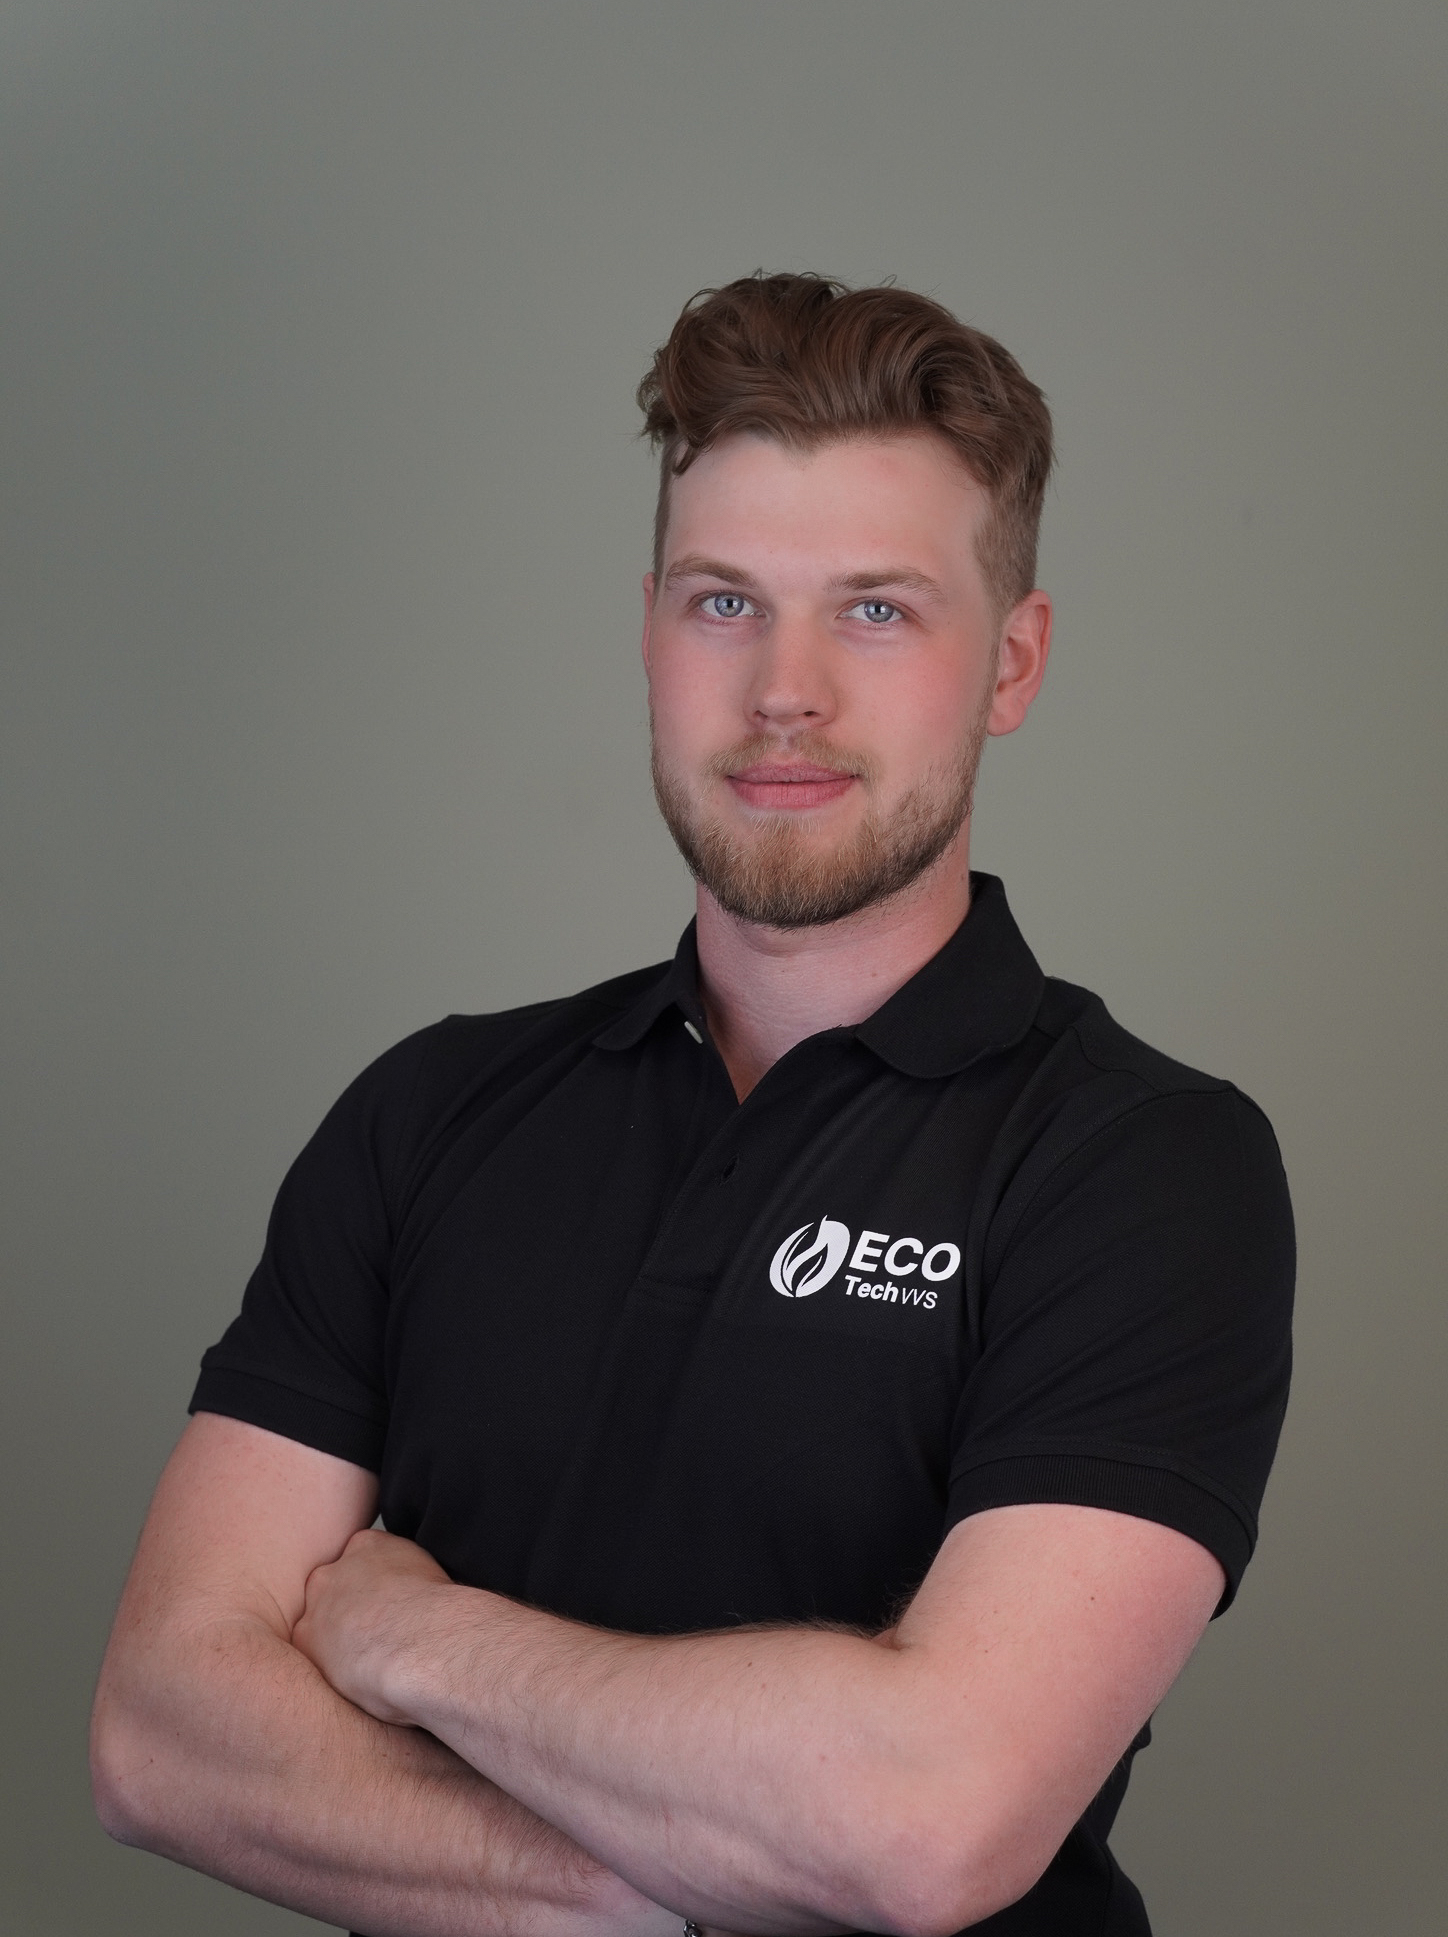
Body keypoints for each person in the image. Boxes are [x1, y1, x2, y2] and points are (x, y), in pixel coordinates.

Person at [90, 273, 1294, 1937]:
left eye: (877, 610)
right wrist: (671, 1881)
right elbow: (159, 1732)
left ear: (1011, 662)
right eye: (725, 602)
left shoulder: (1144, 1167)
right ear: (649, 627)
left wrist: (414, 1638)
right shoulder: (429, 1112)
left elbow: (929, 1822)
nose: (785, 689)